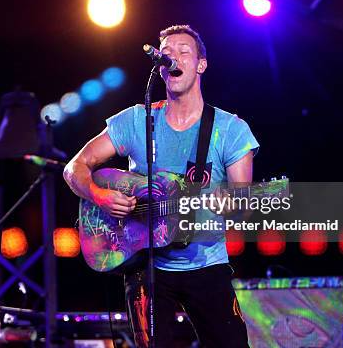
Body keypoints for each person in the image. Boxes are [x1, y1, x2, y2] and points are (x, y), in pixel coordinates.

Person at [63, 25, 258, 347]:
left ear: (201, 64)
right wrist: (99, 195)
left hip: (206, 263)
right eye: (167, 54)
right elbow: (75, 167)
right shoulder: (136, 120)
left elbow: (242, 210)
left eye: (184, 52)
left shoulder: (231, 130)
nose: (174, 59)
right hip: (147, 266)